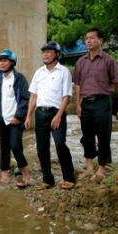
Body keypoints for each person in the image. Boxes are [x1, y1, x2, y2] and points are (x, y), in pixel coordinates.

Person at [25, 41, 75, 190]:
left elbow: (66, 96)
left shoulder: (64, 72)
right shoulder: (39, 72)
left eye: (49, 52)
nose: (45, 54)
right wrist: (28, 116)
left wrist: (59, 115)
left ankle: (69, 178)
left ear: (56, 54)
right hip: (40, 114)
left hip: (56, 113)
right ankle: (48, 179)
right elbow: (34, 96)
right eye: (43, 52)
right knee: (41, 148)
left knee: (60, 144)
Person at [73, 28, 118, 181]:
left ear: (101, 41)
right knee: (87, 136)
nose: (88, 41)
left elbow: (117, 82)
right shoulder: (81, 61)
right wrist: (78, 105)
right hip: (85, 103)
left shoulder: (109, 60)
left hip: (102, 102)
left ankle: (102, 167)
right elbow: (78, 85)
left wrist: (106, 92)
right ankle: (89, 167)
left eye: (92, 38)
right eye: (86, 38)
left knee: (103, 135)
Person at [0, 50, 31, 188]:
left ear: (12, 62)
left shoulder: (20, 78)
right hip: (2, 120)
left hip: (15, 120)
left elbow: (26, 98)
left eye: (5, 60)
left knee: (15, 146)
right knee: (4, 148)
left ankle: (26, 174)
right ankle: (4, 175)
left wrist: (18, 116)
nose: (2, 63)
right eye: (0, 60)